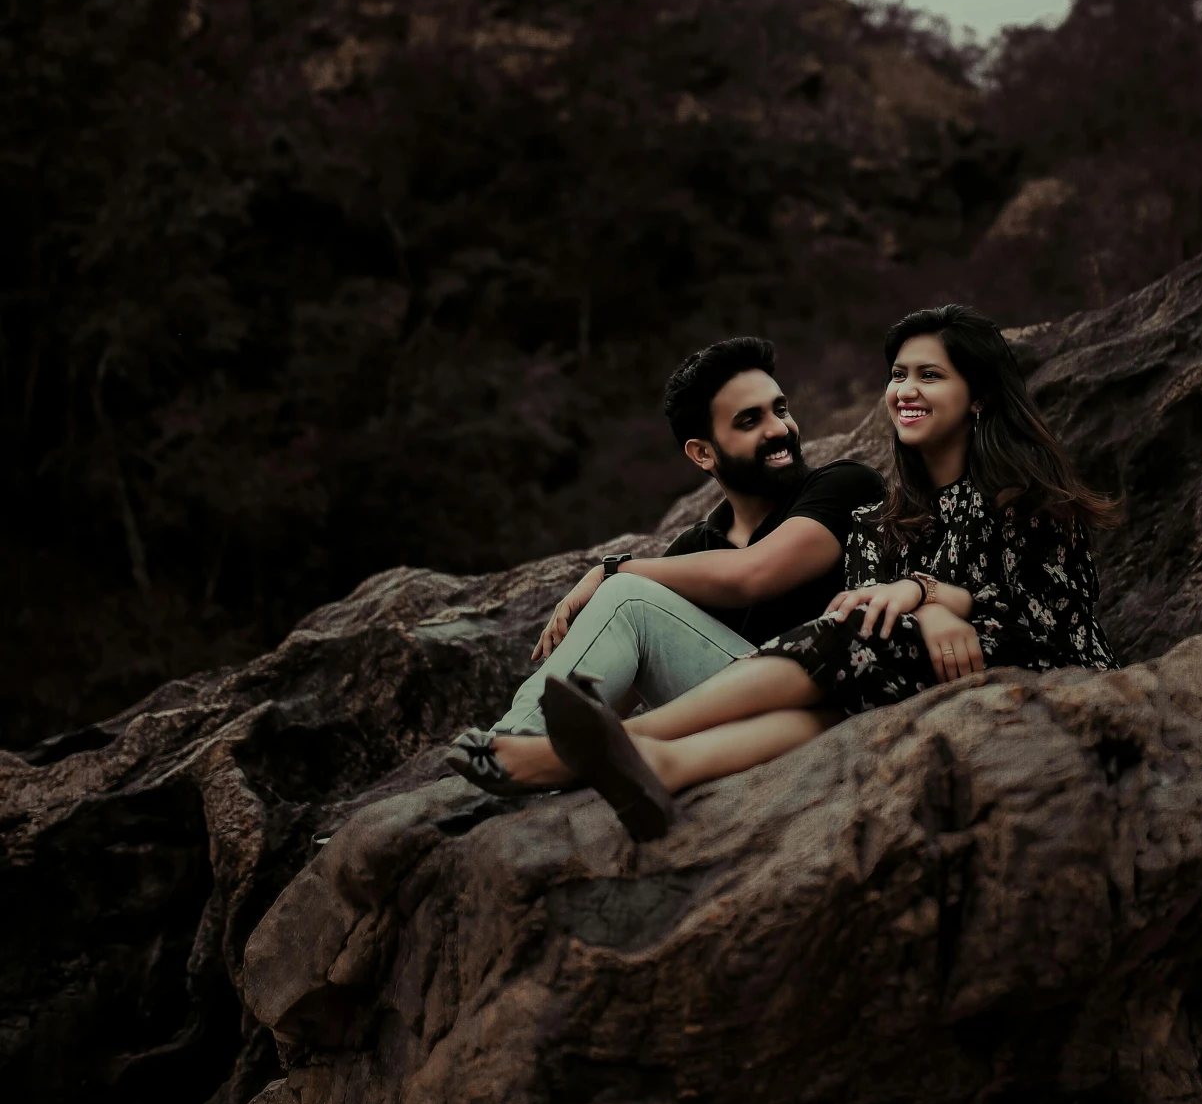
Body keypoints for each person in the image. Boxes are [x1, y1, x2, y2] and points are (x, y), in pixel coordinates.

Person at [515, 304, 1119, 839]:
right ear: (702, 452)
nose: (905, 389)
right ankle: (636, 756)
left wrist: (931, 598)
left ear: (978, 396)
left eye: (929, 375)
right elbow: (871, 608)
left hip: (1022, 685)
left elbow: (1048, 618)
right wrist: (927, 601)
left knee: (845, 635)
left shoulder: (1022, 498)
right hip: (858, 702)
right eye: (899, 374)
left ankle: (591, 748)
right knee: (850, 639)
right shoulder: (880, 520)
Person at [446, 335, 882, 794]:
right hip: (726, 721)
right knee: (625, 608)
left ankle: (516, 751)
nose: (779, 428)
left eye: (780, 408)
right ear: (702, 453)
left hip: (823, 701)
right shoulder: (695, 547)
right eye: (750, 420)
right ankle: (534, 754)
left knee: (625, 599)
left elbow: (754, 574)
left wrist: (611, 572)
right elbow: (627, 674)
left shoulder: (844, 485)